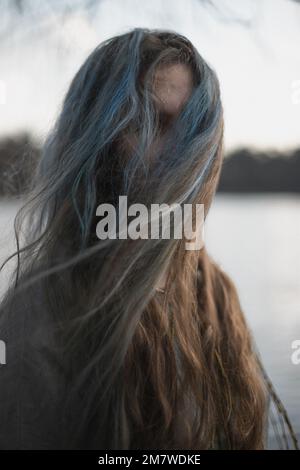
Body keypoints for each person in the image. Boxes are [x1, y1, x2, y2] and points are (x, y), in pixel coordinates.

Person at [0, 28, 297, 450]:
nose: (175, 154)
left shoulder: (215, 294)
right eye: (146, 122)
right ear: (94, 139)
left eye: (188, 129)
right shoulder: (40, 319)